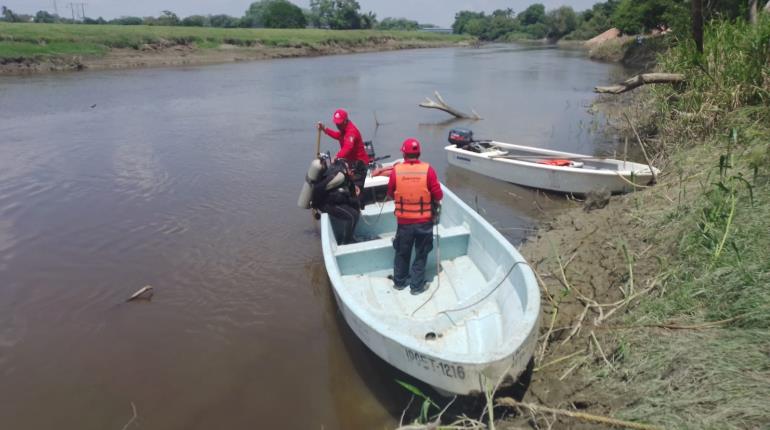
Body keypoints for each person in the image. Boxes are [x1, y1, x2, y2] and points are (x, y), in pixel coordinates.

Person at [387, 138, 443, 295]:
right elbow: (438, 195)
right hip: (424, 222)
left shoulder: (396, 171)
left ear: (404, 153)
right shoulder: (428, 170)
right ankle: (416, 287)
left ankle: (399, 282)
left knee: (402, 252)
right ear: (419, 153)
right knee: (421, 254)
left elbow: (391, 192)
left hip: (404, 223)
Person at [311, 158, 361, 245]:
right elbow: (317, 189)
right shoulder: (338, 176)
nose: (354, 176)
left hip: (333, 199)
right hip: (324, 203)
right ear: (350, 170)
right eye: (354, 174)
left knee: (356, 211)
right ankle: (346, 242)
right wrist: (315, 206)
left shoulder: (345, 174)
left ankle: (349, 237)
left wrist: (356, 203)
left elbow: (351, 191)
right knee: (352, 217)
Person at [317, 109, 369, 189]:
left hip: (359, 165)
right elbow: (338, 136)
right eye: (336, 124)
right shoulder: (343, 129)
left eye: (339, 124)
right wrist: (325, 129)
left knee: (355, 192)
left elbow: (348, 147)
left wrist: (337, 156)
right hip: (350, 164)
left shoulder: (351, 131)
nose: (338, 126)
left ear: (345, 121)